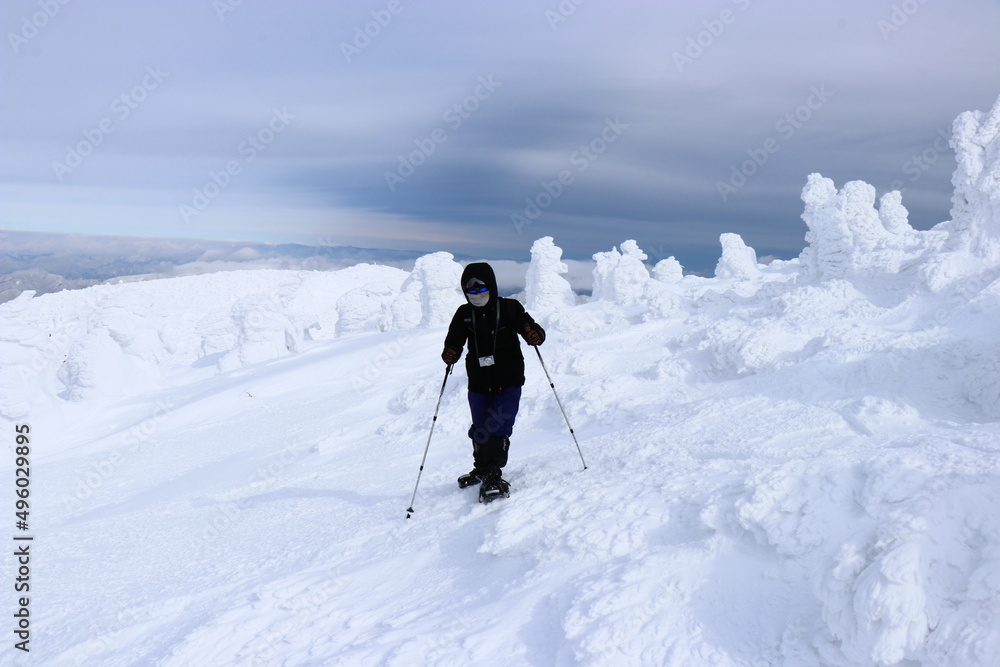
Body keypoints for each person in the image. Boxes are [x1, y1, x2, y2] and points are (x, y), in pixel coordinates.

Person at [442, 262, 545, 503]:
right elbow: (453, 341)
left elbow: (532, 328)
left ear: (492, 287)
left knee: (499, 425)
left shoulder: (510, 308)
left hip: (508, 379)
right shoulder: (463, 314)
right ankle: (482, 469)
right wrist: (450, 352)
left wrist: (535, 334)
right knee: (480, 427)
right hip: (478, 381)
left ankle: (492, 475)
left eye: (481, 290)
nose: (476, 296)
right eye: (471, 292)